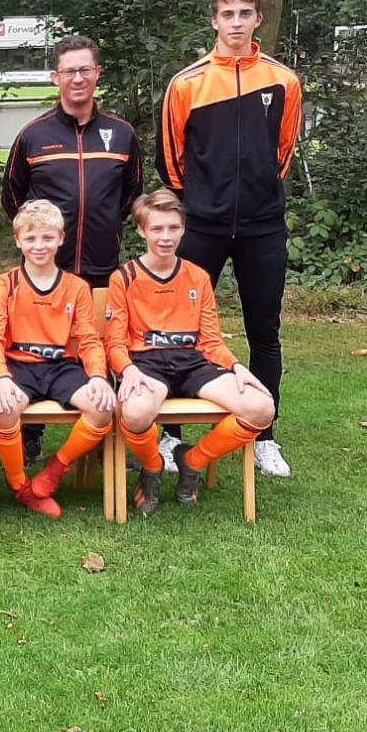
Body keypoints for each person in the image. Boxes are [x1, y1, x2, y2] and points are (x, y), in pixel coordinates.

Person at [157, 0, 302, 480]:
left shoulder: (283, 81)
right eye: (227, 14)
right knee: (178, 329)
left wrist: (255, 194)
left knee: (265, 329)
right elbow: (171, 160)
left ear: (258, 19)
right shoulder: (186, 84)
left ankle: (264, 436)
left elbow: (283, 152)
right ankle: (170, 433)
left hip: (263, 225)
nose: (236, 22)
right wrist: (204, 201)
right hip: (203, 225)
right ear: (214, 20)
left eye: (245, 13)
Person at [0, 34, 139, 465]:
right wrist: (41, 240)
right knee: (36, 344)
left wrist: (105, 224)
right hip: (46, 269)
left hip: (101, 262)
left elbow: (131, 193)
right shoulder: (33, 135)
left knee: (104, 343)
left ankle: (110, 434)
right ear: (55, 77)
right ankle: (31, 433)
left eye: (85, 70)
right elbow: (13, 196)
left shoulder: (121, 133)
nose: (77, 78)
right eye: (68, 71)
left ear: (98, 74)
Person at [106, 188, 277, 514]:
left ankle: (193, 461)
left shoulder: (197, 277)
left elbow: (211, 340)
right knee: (136, 412)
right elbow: (114, 341)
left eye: (173, 228)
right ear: (142, 231)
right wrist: (127, 370)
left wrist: (236, 366)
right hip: (146, 363)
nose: (165, 237)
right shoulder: (124, 278)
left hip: (193, 362)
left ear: (184, 229)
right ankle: (153, 466)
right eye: (157, 228)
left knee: (261, 407)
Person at [0, 200, 118, 520]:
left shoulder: (76, 286)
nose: (39, 245)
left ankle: (56, 468)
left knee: (102, 407)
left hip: (61, 366)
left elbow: (89, 339)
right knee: (5, 407)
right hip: (18, 366)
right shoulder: (6, 284)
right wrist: (0, 377)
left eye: (47, 237)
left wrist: (98, 376)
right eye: (30, 238)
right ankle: (20, 485)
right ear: (18, 241)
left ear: (60, 238)